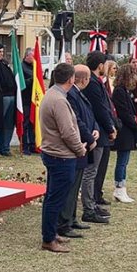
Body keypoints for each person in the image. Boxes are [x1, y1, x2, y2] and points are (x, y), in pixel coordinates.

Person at [39, 63, 88, 253]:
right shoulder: (58, 99)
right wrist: (80, 149)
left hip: (55, 154)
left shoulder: (53, 94)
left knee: (52, 197)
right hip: (61, 156)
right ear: (71, 79)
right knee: (55, 199)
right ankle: (48, 239)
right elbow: (68, 132)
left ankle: (51, 233)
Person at [57, 65, 99, 237]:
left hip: (83, 145)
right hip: (76, 146)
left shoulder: (78, 93)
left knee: (75, 188)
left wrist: (95, 129)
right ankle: (65, 223)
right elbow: (76, 121)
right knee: (70, 188)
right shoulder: (70, 95)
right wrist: (89, 138)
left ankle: (72, 218)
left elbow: (90, 114)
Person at [80, 52, 115, 222]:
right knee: (91, 172)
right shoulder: (92, 84)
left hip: (98, 130)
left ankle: (92, 203)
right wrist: (110, 127)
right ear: (100, 65)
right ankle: (89, 207)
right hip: (96, 131)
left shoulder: (95, 81)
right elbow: (99, 109)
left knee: (94, 171)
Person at [111, 62, 137, 203]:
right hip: (124, 131)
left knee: (125, 161)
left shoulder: (125, 90)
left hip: (128, 131)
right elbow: (125, 114)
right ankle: (119, 188)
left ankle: (122, 187)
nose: (136, 77)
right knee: (122, 162)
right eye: (133, 74)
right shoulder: (119, 91)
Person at [93, 58, 119, 206]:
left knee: (102, 166)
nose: (115, 71)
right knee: (95, 168)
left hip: (107, 128)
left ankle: (98, 193)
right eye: (113, 68)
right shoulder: (99, 83)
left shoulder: (105, 84)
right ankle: (94, 196)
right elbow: (101, 109)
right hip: (101, 130)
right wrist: (110, 127)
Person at [20, 48, 36, 155]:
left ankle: (32, 145)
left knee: (32, 123)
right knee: (25, 123)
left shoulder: (34, 66)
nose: (34, 58)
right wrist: (32, 79)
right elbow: (21, 83)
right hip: (25, 99)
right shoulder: (21, 67)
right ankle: (25, 146)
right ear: (27, 56)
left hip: (33, 100)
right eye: (33, 56)